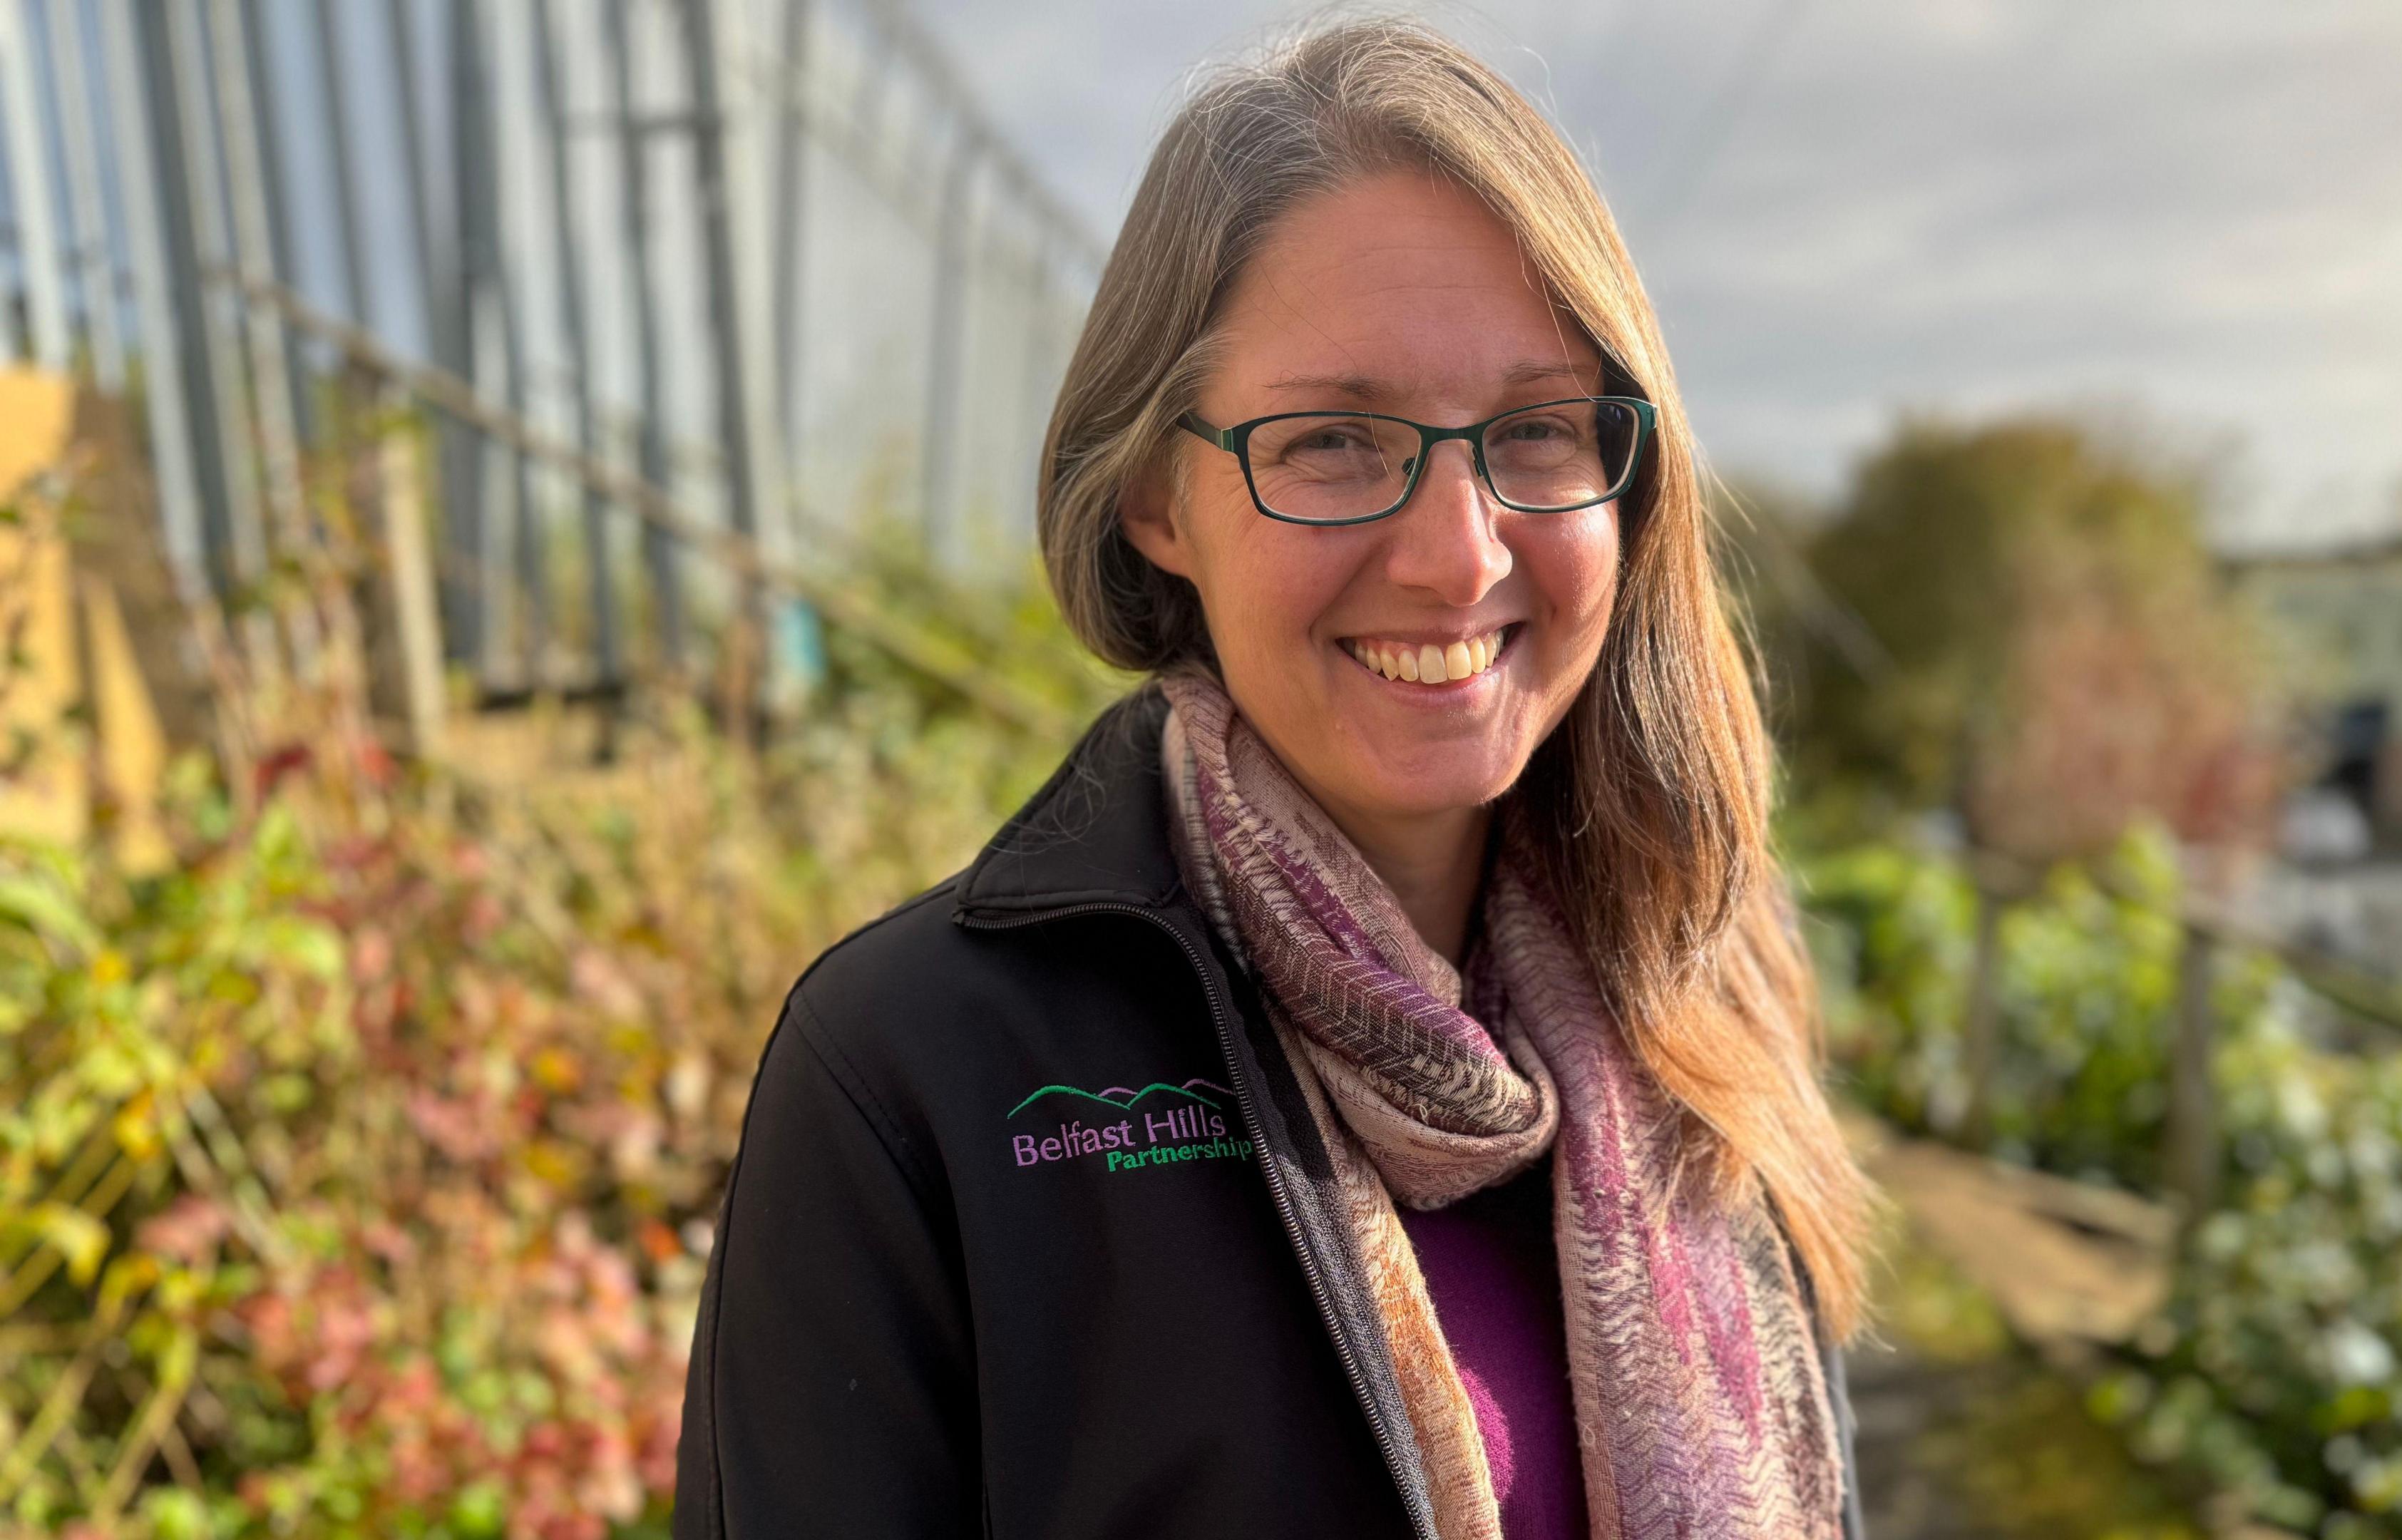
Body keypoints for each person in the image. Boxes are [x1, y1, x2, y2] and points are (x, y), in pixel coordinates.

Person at [674, 19, 1877, 1539]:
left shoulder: (1706, 986)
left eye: (1538, 432)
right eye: (1332, 442)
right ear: (1158, 499)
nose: (1458, 556)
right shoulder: (918, 1076)